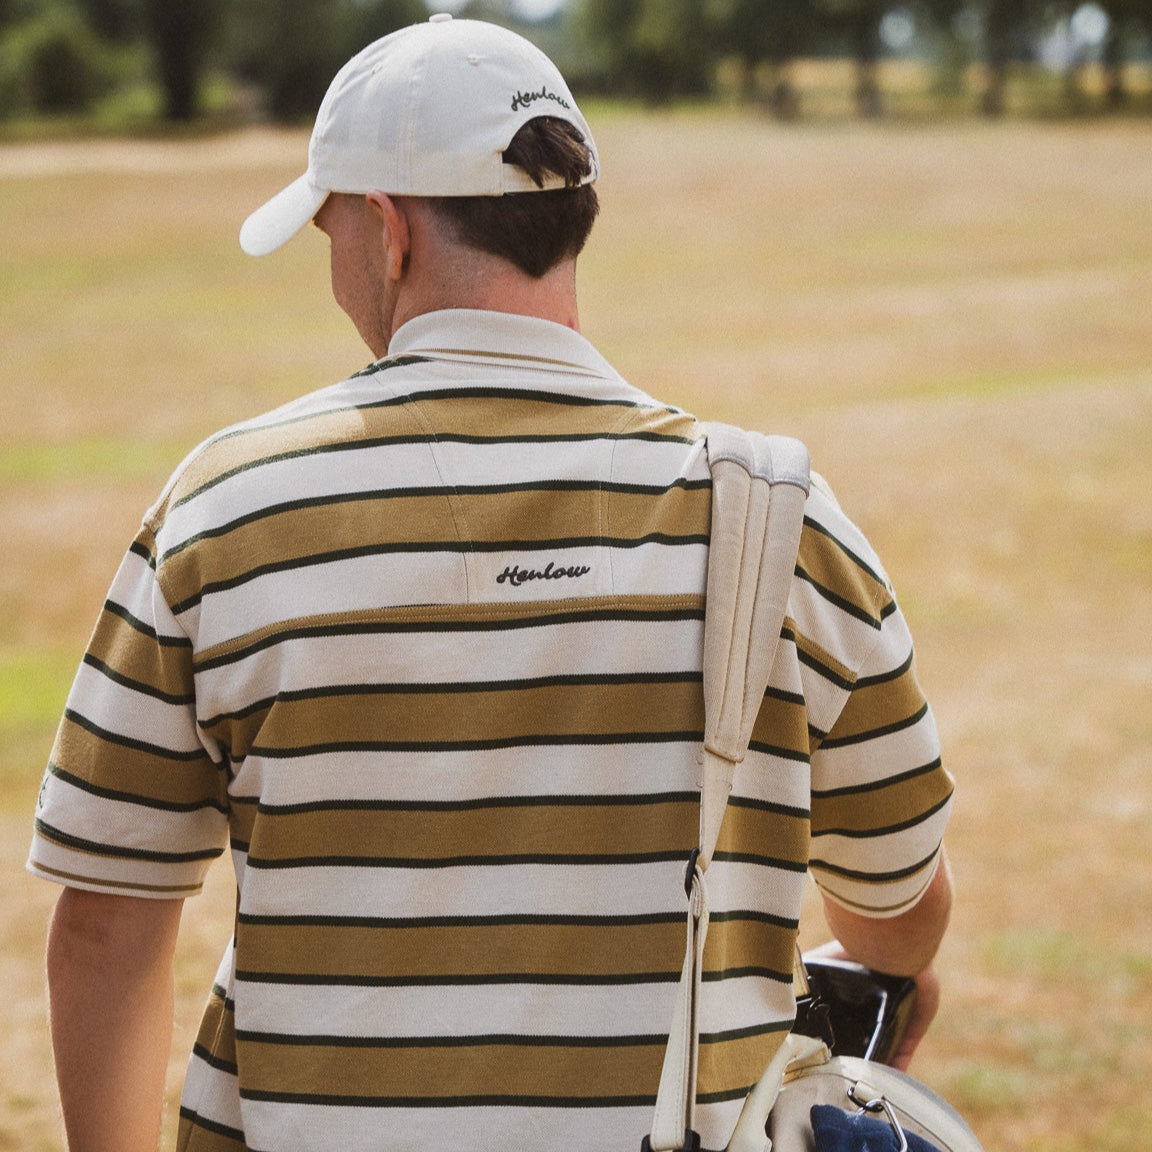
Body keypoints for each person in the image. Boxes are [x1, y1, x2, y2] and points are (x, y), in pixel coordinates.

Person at [30, 14, 954, 1152]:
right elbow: (898, 902)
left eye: (329, 226)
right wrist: (888, 962)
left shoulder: (224, 509)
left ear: (388, 233)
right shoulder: (783, 517)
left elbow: (107, 925)